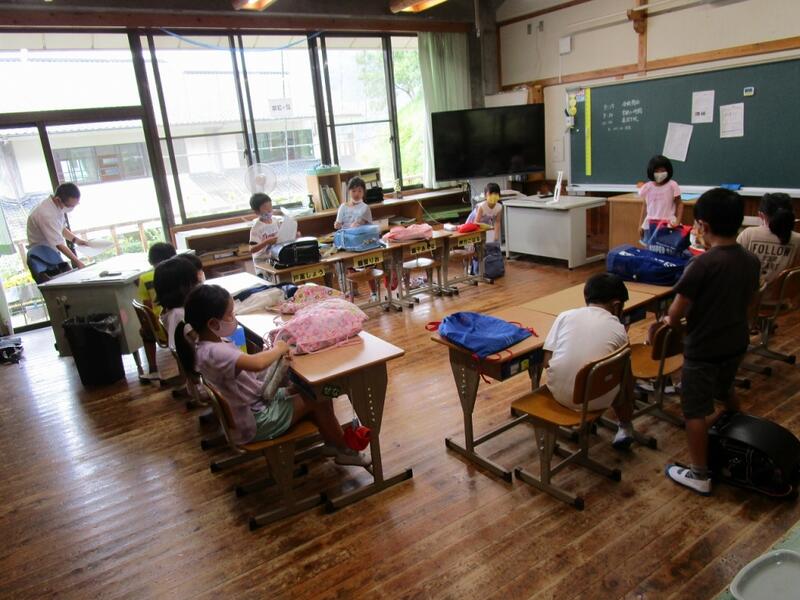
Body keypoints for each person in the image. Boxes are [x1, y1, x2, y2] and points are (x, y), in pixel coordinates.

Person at [175, 284, 370, 465]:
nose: (234, 317)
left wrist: (275, 356)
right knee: (318, 398)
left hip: (251, 407)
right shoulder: (216, 352)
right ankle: (343, 449)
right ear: (212, 323)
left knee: (312, 388)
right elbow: (257, 364)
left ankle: (332, 441)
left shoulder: (205, 346)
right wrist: (278, 349)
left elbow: (251, 369)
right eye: (230, 314)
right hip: (257, 421)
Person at [663, 188, 760, 495]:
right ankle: (741, 436)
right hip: (736, 342)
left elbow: (676, 313)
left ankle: (699, 474)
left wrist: (666, 327)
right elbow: (752, 303)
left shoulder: (702, 264)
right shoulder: (750, 260)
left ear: (702, 226)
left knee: (694, 411)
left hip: (703, 350)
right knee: (725, 388)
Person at [542, 272, 635, 449]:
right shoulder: (619, 329)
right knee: (624, 377)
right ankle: (625, 426)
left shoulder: (565, 316)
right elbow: (622, 373)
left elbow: (547, 361)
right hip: (598, 399)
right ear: (617, 306)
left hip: (559, 395)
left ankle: (583, 422)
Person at [737, 192, 800, 292]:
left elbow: (734, 267)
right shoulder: (798, 240)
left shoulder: (748, 234)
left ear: (761, 215)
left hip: (750, 298)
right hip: (783, 299)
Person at [135, 242, 177, 382]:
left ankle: (153, 369)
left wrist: (150, 327)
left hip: (159, 327)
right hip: (177, 325)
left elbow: (147, 308)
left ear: (150, 261)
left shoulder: (145, 278)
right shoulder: (178, 273)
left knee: (146, 332)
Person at [26, 182, 89, 272]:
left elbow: (61, 228)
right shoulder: (46, 214)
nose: (71, 208)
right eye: (69, 206)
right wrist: (78, 262)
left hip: (52, 253)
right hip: (41, 258)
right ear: (58, 199)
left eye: (75, 205)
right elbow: (58, 244)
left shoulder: (56, 206)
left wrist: (77, 241)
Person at [153, 254, 204, 351]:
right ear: (183, 287)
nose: (198, 283)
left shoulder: (171, 309)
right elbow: (203, 342)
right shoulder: (179, 315)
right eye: (195, 281)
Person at [638, 155, 682, 241]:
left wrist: (678, 221)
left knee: (666, 246)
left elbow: (679, 203)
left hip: (668, 223)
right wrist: (640, 224)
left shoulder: (672, 185)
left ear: (668, 171)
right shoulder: (647, 187)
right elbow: (645, 206)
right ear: (651, 171)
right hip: (649, 224)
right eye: (656, 171)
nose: (659, 173)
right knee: (650, 247)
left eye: (662, 170)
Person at [249, 193, 279, 260]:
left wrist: (293, 235)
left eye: (270, 206)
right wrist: (266, 242)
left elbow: (281, 237)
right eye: (265, 208)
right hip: (261, 259)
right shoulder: (256, 228)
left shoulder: (275, 221)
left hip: (274, 256)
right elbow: (252, 249)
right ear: (257, 212)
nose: (269, 210)